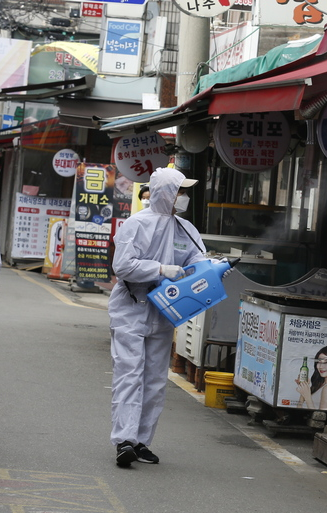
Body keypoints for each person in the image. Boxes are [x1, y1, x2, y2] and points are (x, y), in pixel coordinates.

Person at [108, 167, 208, 467]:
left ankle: (140, 442)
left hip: (164, 311)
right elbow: (123, 266)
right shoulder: (137, 224)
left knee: (154, 380)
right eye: (180, 191)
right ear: (166, 192)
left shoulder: (186, 229)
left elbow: (197, 259)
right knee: (129, 374)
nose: (184, 197)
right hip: (131, 308)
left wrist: (213, 267)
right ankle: (124, 440)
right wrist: (161, 269)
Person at [296, 346, 327, 410]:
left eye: (326, 362)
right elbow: (298, 409)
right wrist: (303, 387)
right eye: (319, 362)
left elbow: (320, 416)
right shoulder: (320, 384)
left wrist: (307, 396)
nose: (321, 366)